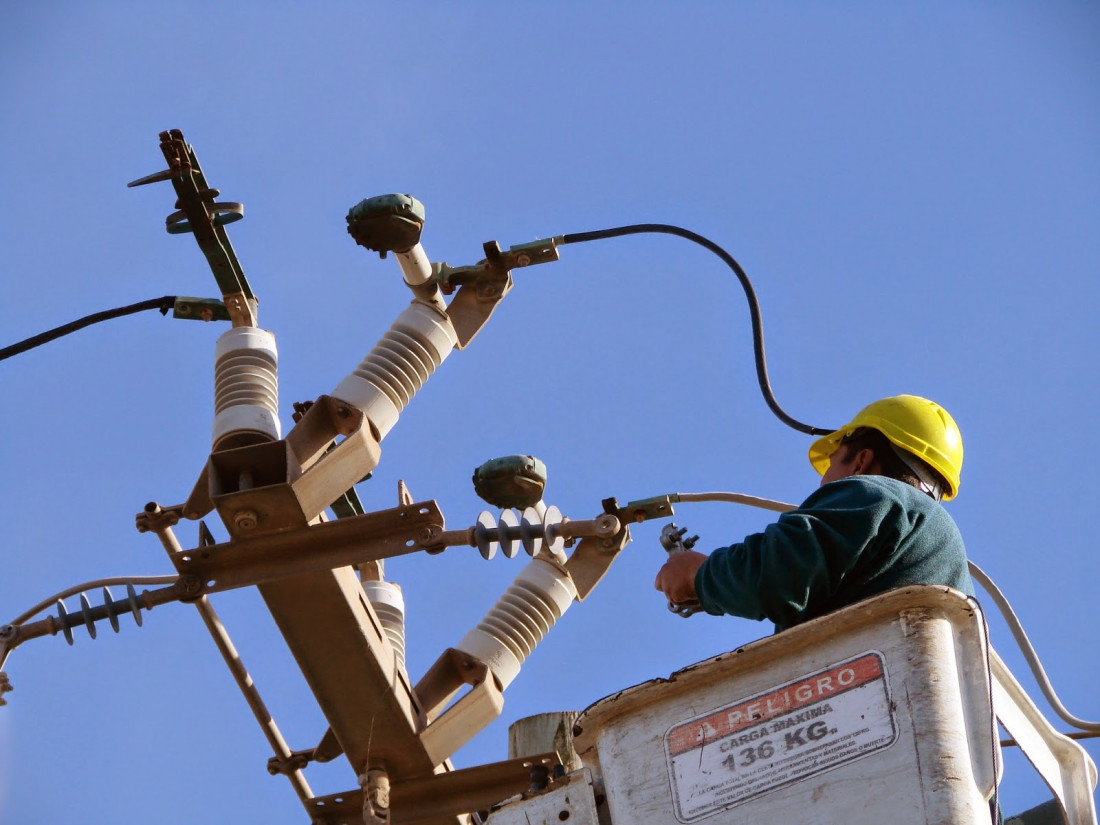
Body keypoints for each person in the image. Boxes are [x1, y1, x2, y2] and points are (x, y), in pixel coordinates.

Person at [654, 395, 973, 632]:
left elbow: (782, 572)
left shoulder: (874, 493)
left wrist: (699, 574)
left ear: (861, 462)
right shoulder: (944, 552)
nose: (822, 487)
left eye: (831, 467)